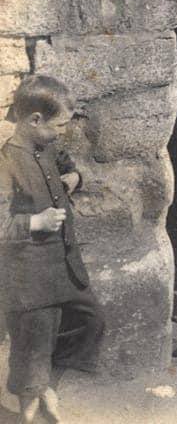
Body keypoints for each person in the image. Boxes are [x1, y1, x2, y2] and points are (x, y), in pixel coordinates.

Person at [0, 75, 104, 423]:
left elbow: (67, 165)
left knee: (91, 321)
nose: (62, 132)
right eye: (58, 125)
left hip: (65, 265)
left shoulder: (49, 147)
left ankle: (48, 384)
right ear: (34, 121)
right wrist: (35, 223)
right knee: (33, 342)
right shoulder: (6, 162)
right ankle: (25, 405)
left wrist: (75, 178)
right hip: (29, 275)